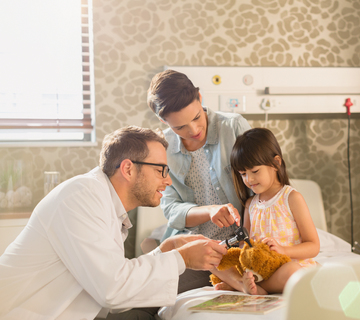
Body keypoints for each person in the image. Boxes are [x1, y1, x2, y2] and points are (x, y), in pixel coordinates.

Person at [0, 126, 227, 320]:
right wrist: (183, 258)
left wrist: (164, 251)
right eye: (160, 170)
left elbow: (113, 281)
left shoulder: (103, 203)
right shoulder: (80, 197)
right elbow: (112, 291)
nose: (167, 180)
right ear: (128, 168)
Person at [145, 69, 252, 292]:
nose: (193, 130)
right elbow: (172, 210)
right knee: (148, 293)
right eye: (180, 127)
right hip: (194, 249)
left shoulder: (233, 128)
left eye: (196, 118)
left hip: (242, 244)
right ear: (163, 120)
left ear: (200, 98)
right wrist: (209, 210)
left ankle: (237, 281)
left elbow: (261, 189)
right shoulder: (164, 147)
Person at [214, 127, 320, 295]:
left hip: (287, 268)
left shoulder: (291, 198)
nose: (249, 180)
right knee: (214, 259)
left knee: (293, 271)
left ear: (276, 163)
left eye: (255, 171)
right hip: (259, 271)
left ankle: (256, 289)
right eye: (243, 174)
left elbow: (313, 245)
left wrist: (284, 250)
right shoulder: (250, 204)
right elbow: (244, 245)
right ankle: (246, 284)